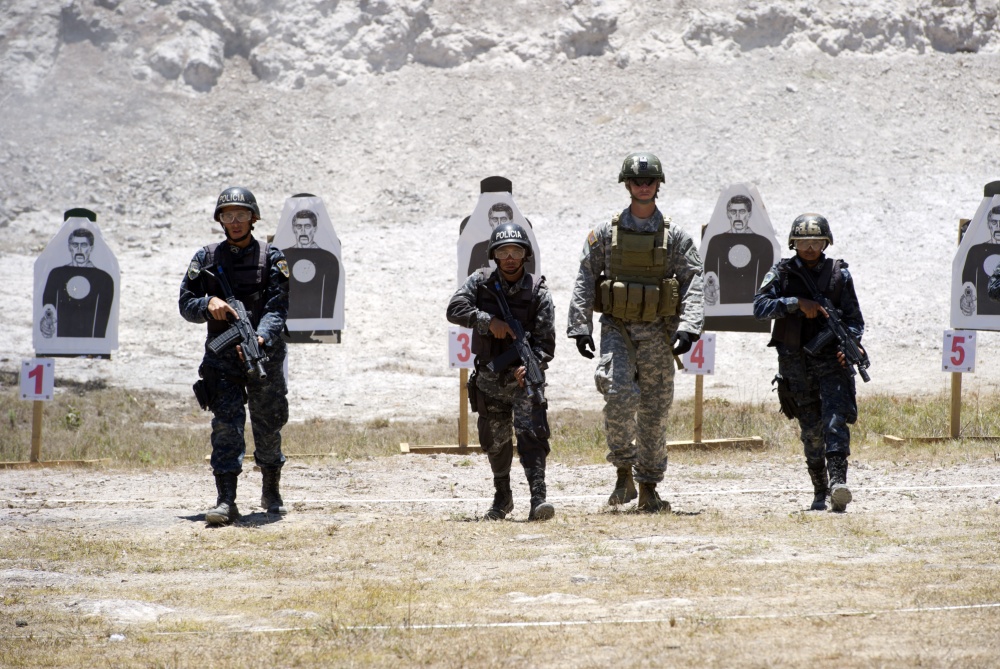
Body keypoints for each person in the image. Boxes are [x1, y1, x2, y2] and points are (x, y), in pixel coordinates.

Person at [567, 151, 704, 513]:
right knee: (617, 393)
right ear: (627, 185)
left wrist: (690, 328)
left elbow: (694, 283)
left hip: (660, 332)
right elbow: (584, 276)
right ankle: (623, 471)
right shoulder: (604, 234)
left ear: (658, 185)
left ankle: (648, 487)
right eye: (637, 181)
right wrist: (579, 326)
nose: (643, 187)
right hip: (618, 328)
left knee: (655, 411)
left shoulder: (675, 237)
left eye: (649, 181)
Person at [179, 187, 291, 525]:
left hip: (262, 355)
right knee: (226, 427)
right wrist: (207, 304)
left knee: (268, 424)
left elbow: (277, 308)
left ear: (253, 218)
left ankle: (271, 488)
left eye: (241, 215)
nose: (235, 221)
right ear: (220, 220)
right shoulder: (206, 258)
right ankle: (226, 500)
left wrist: (260, 337)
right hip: (222, 359)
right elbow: (185, 304)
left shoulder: (272, 258)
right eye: (228, 215)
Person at [753, 214, 864, 512]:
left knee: (835, 421)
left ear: (826, 242)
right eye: (803, 242)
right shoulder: (783, 273)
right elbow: (759, 307)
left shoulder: (840, 275)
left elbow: (854, 322)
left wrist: (848, 345)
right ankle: (819, 489)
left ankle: (839, 483)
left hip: (831, 362)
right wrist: (795, 304)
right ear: (793, 243)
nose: (810, 248)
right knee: (811, 429)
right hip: (796, 363)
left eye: (816, 242)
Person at [447, 222, 557, 521]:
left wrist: (530, 364)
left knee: (531, 435)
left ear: (525, 255)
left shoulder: (538, 292)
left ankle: (538, 498)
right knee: (495, 441)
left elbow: (546, 343)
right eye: (504, 251)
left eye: (516, 251)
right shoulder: (480, 283)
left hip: (524, 381)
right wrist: (486, 321)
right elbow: (454, 308)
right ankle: (502, 497)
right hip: (489, 380)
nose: (510, 257)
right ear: (494, 255)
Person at [39, 227, 115, 338]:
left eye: (84, 245)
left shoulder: (104, 279)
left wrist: (96, 350)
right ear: (70, 247)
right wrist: (45, 323)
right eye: (75, 245)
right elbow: (48, 306)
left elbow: (102, 321)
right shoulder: (56, 274)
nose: (79, 250)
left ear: (91, 248)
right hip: (60, 343)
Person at [702, 195, 774, 306]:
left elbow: (767, 282)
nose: (737, 216)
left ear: (749, 214)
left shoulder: (763, 243)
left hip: (754, 312)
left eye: (742, 211)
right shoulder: (716, 241)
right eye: (733, 211)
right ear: (728, 214)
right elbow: (708, 275)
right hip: (721, 311)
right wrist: (708, 292)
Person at [282, 208, 341, 320]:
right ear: (294, 229)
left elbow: (330, 300)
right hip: (286, 326)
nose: (303, 231)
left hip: (317, 324)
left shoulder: (328, 259)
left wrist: (325, 329)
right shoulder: (282, 256)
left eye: (307, 226)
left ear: (314, 229)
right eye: (299, 227)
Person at [466, 202, 537, 277]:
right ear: (490, 222)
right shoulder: (478, 249)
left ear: (511, 220)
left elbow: (530, 279)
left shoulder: (525, 248)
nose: (499, 223)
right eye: (495, 219)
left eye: (503, 219)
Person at [961, 204, 1000, 315]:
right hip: (983, 312)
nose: (998, 227)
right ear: (989, 225)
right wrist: (965, 300)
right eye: (994, 222)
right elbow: (967, 281)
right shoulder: (977, 250)